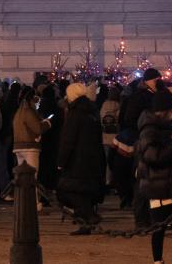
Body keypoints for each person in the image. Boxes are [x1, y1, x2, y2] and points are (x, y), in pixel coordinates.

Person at [136, 89, 172, 264]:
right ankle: (158, 260)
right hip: (158, 185)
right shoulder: (149, 130)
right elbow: (155, 157)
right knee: (159, 228)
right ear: (163, 111)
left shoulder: (166, 126)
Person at [57, 81, 105, 234]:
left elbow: (68, 139)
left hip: (77, 159)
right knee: (85, 191)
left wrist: (61, 161)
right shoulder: (91, 110)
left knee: (67, 190)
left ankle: (89, 217)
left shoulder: (75, 112)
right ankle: (85, 223)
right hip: (93, 156)